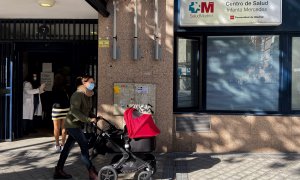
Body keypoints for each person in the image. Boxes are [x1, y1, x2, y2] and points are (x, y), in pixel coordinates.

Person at [53, 75, 98, 180]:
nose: (93, 84)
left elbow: (86, 110)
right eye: (91, 82)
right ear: (84, 83)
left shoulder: (88, 95)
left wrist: (93, 116)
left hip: (77, 125)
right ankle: (91, 171)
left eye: (93, 82)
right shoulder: (77, 95)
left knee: (67, 148)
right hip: (72, 124)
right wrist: (88, 120)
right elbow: (75, 111)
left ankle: (58, 170)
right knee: (84, 147)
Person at [52, 73, 70, 152]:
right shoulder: (66, 87)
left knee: (56, 128)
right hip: (66, 109)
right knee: (64, 128)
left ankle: (57, 145)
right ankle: (63, 144)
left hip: (56, 109)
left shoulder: (54, 87)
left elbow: (52, 98)